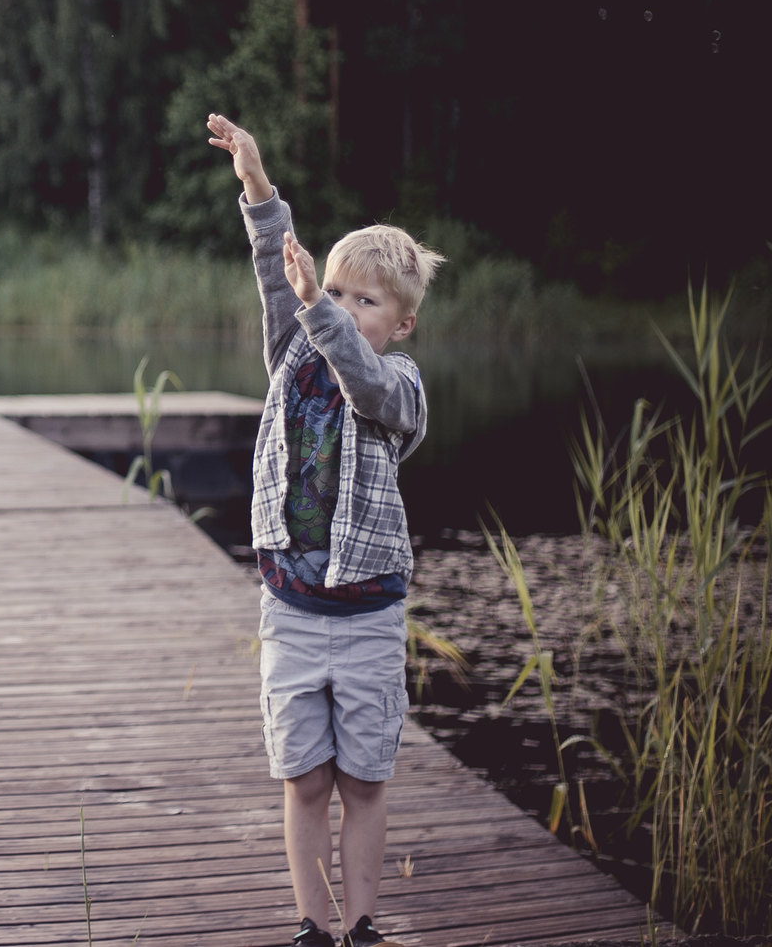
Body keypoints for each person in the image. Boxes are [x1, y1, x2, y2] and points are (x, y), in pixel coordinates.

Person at [206, 113, 443, 947]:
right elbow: (282, 277)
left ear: (402, 323)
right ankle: (312, 925)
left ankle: (365, 922)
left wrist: (318, 305)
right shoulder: (291, 350)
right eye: (334, 290)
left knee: (364, 782)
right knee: (304, 778)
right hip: (295, 613)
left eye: (363, 298)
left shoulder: (399, 386)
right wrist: (256, 180)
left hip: (370, 617)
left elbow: (362, 379)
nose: (338, 307)